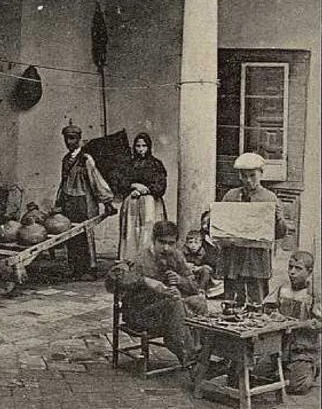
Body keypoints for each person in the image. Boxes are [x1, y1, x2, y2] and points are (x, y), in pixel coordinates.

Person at [115, 220, 207, 367]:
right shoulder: (141, 258)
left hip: (166, 311)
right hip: (140, 314)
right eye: (162, 242)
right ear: (154, 239)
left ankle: (201, 352)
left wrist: (180, 281)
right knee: (174, 302)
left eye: (171, 243)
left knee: (199, 302)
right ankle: (191, 359)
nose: (166, 248)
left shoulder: (177, 256)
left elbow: (194, 287)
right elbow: (114, 278)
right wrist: (145, 281)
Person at [220, 152, 287, 305]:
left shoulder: (270, 198)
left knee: (256, 289)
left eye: (252, 175)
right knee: (233, 288)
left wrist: (279, 219)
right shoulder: (231, 195)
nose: (248, 180)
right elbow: (221, 222)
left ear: (261, 174)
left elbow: (280, 233)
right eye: (244, 176)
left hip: (257, 253)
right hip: (234, 251)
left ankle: (256, 311)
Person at [56, 122, 115, 281]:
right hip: (69, 202)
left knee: (86, 236)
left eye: (72, 138)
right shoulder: (66, 159)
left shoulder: (86, 159)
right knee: (71, 236)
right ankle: (75, 268)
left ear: (79, 139)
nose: (69, 142)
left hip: (84, 201)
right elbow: (63, 183)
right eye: (66, 139)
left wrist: (107, 202)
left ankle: (90, 269)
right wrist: (59, 202)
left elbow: (96, 180)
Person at [259, 250, 321, 394]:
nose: (292, 272)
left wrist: (307, 324)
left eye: (298, 268)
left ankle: (312, 368)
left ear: (309, 272)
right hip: (278, 348)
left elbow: (319, 323)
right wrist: (272, 315)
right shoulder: (283, 288)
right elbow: (267, 308)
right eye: (290, 267)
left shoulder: (314, 295)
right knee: (256, 376)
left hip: (302, 351)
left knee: (297, 386)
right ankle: (283, 372)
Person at [118, 132, 167, 261]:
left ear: (149, 147)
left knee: (148, 230)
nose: (141, 149)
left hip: (151, 203)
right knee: (131, 231)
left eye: (144, 146)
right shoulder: (129, 164)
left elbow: (161, 185)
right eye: (138, 146)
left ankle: (149, 259)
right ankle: (130, 259)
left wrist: (145, 190)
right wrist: (133, 186)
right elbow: (121, 182)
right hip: (132, 203)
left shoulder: (156, 164)